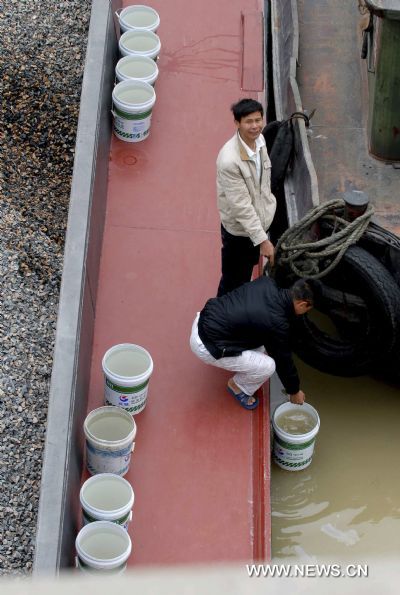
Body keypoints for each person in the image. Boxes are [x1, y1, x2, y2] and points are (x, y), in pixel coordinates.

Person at [190, 277, 315, 410]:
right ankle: (237, 386)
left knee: (262, 343)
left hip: (203, 320)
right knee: (268, 366)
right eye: (307, 310)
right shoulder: (277, 323)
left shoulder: (267, 282)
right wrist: (294, 391)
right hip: (206, 346)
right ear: (302, 304)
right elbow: (284, 361)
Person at [216, 98, 277, 297]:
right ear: (237, 124)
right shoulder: (229, 161)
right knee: (233, 281)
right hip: (240, 233)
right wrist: (263, 240)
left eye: (258, 120)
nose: (255, 126)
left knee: (246, 270)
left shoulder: (260, 142)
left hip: (257, 225)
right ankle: (219, 318)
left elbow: (263, 185)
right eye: (249, 121)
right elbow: (241, 207)